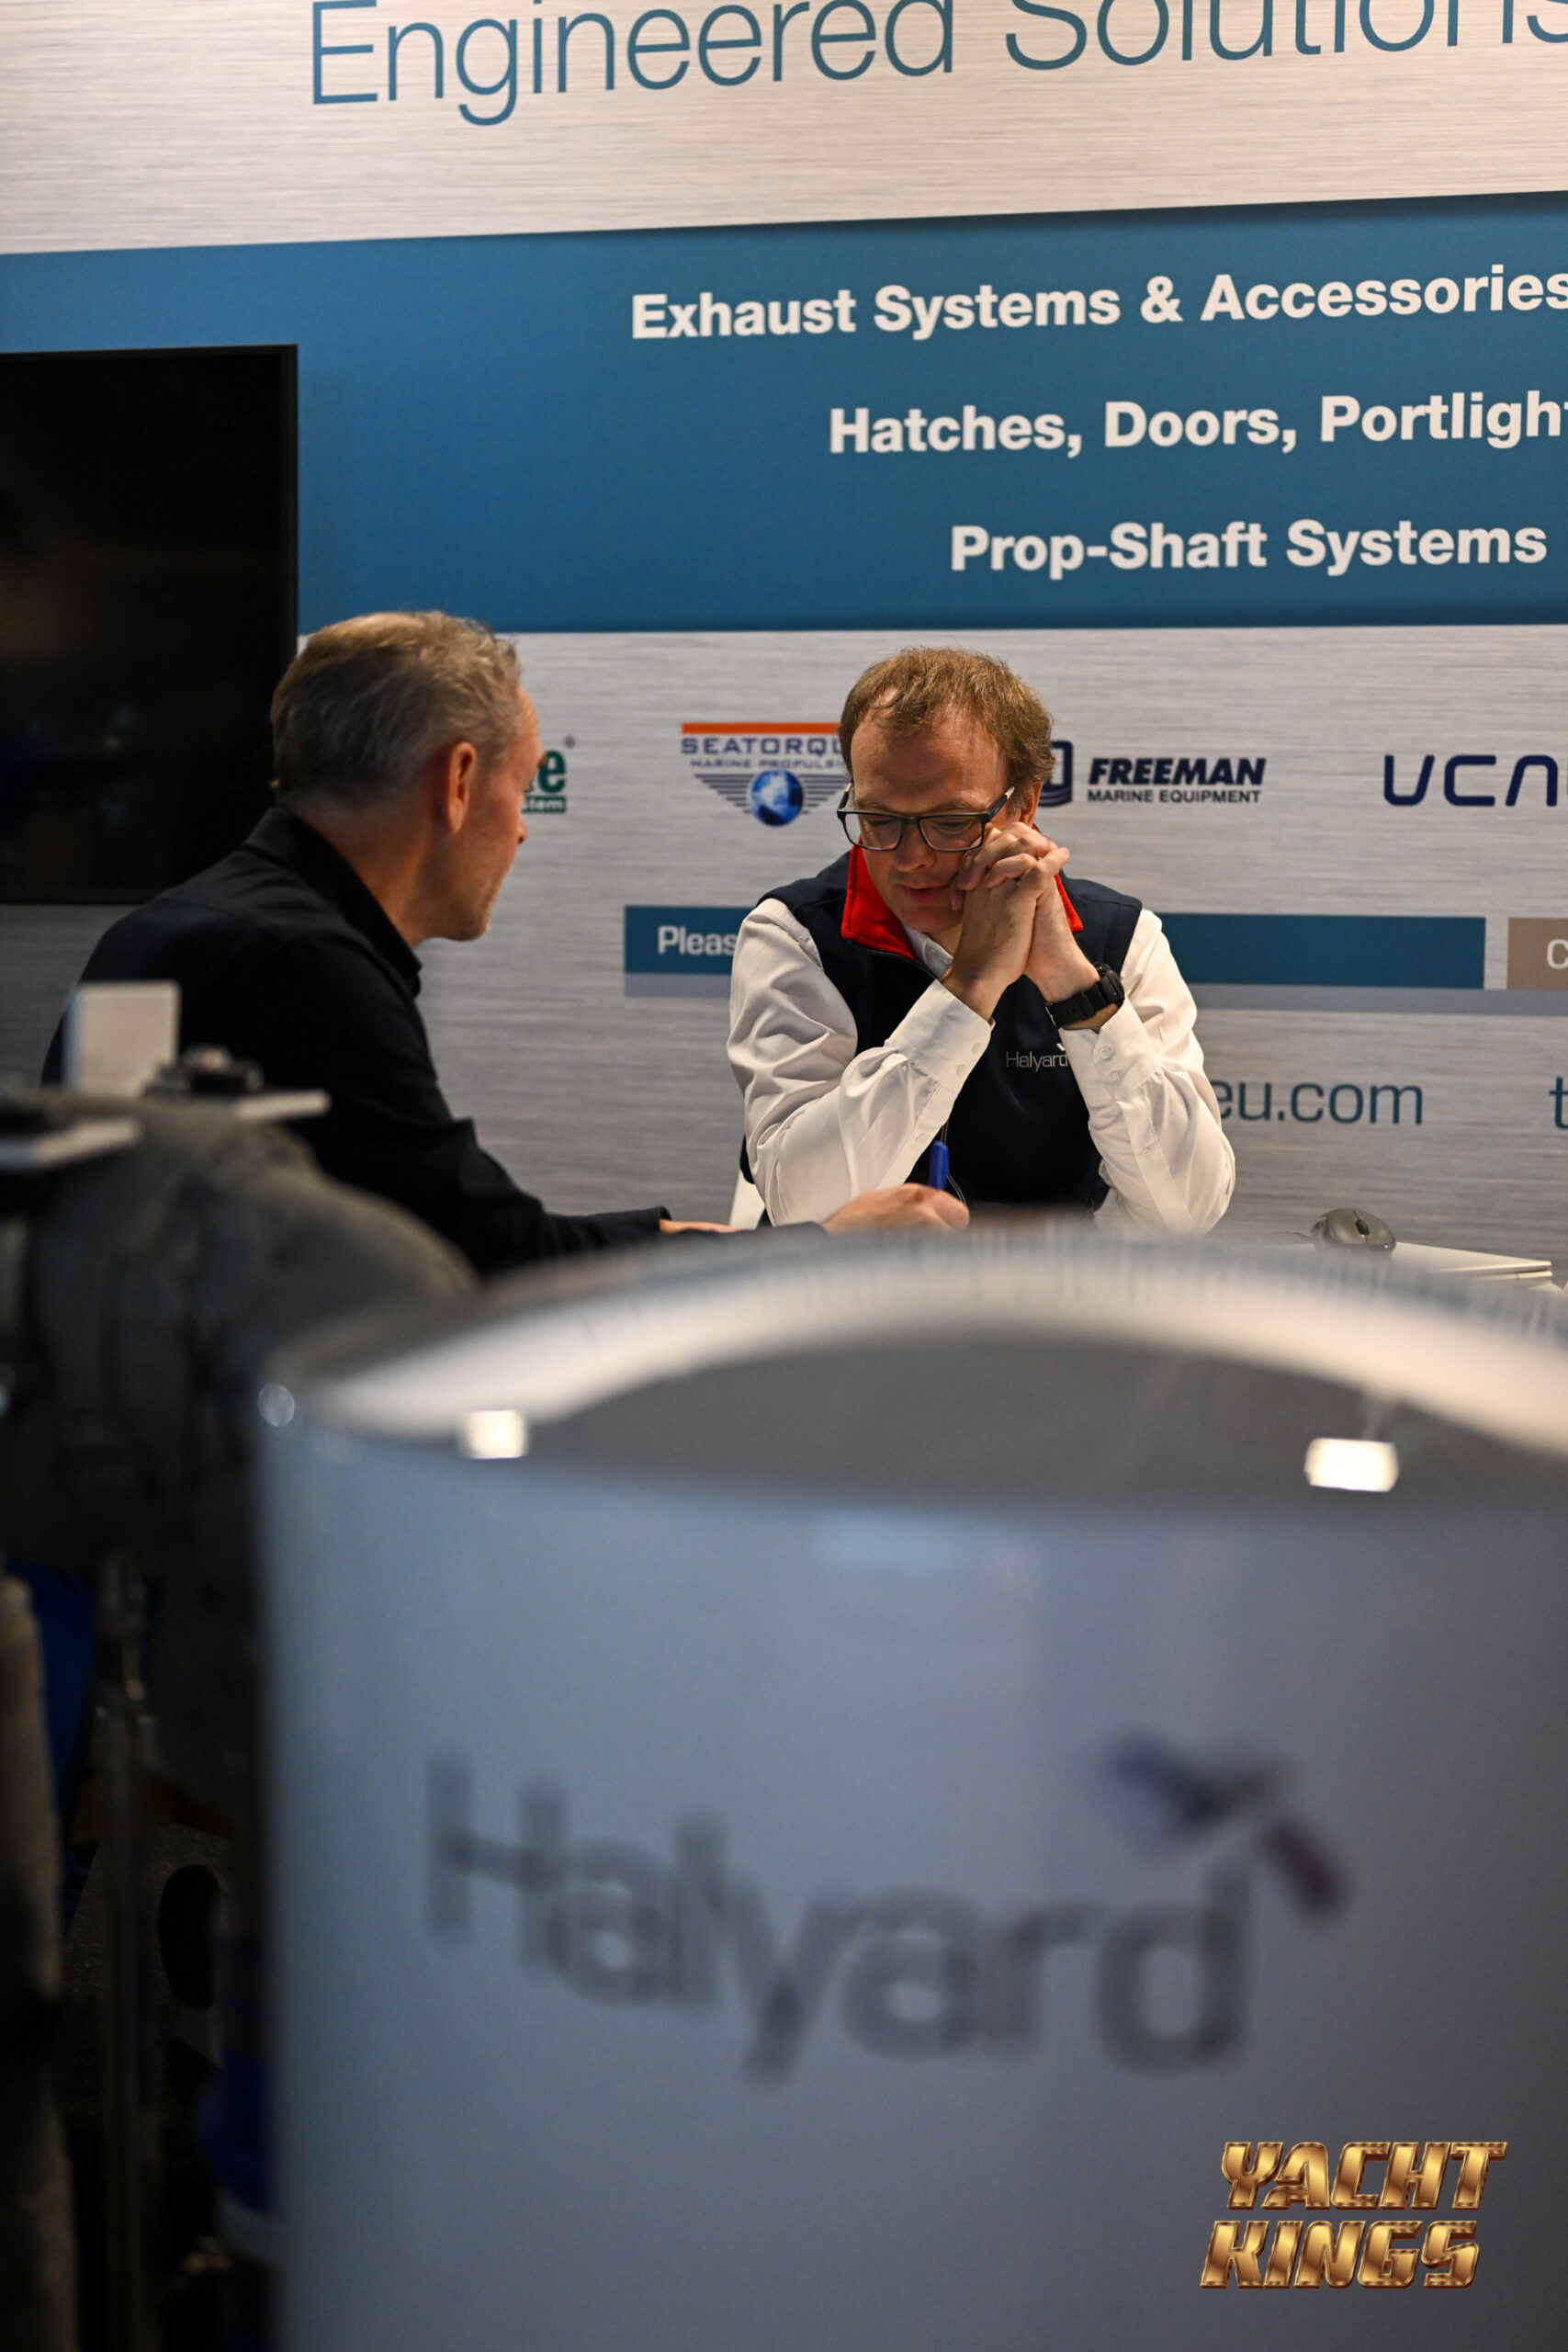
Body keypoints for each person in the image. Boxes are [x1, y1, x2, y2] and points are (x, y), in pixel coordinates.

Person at [49, 613, 961, 1270]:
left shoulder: (195, 928)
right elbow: (481, 1251)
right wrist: (805, 1251)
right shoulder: (299, 967)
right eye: (521, 788)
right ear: (457, 782)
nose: (522, 828)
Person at [728, 645, 1234, 1230]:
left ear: (1025, 804)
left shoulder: (1120, 940)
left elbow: (1187, 1211)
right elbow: (802, 1206)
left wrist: (1076, 988)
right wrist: (969, 987)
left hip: (1046, 1281)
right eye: (880, 819)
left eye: (950, 822)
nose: (910, 859)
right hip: (854, 1282)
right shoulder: (796, 935)